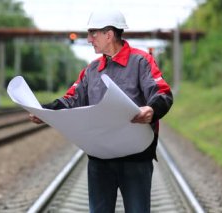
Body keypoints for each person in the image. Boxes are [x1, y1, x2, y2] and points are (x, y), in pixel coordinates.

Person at [30, 8, 173, 213]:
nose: (89, 39)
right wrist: (44, 111)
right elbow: (72, 99)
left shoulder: (141, 61)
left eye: (92, 33)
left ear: (109, 34)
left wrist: (151, 109)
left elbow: (162, 93)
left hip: (135, 158)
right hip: (100, 160)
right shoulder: (91, 70)